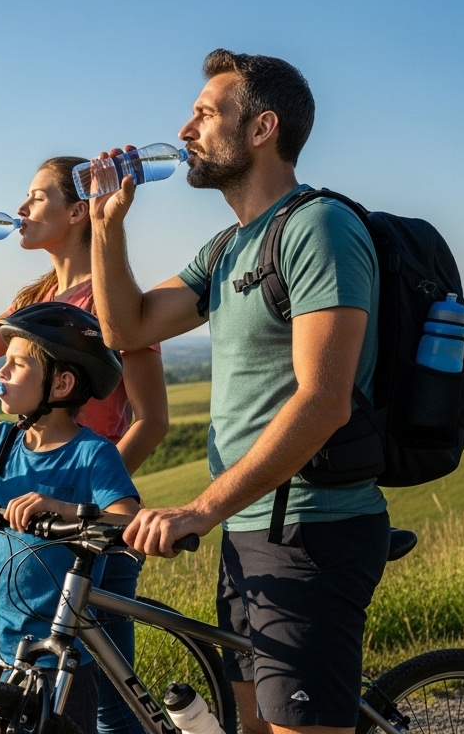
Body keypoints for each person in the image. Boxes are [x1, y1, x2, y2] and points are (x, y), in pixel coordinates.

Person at [88, 49, 388, 734]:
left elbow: (323, 400)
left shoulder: (319, 228)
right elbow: (125, 326)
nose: (186, 129)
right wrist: (107, 228)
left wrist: (199, 509)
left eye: (204, 113)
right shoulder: (227, 247)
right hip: (250, 526)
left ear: (262, 128)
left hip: (314, 527)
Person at [0, 158, 169, 733]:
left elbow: (152, 419)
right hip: (36, 527)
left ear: (77, 211)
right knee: (50, 690)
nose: (20, 210)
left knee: (107, 699)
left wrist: (90, 497)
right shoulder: (40, 297)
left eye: (37, 197)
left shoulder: (109, 298)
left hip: (87, 522)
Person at [0, 302, 142, 732]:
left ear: (62, 383)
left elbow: (127, 523)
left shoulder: (93, 453)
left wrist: (67, 508)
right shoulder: (1, 441)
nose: (0, 374)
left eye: (16, 365)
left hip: (56, 658)